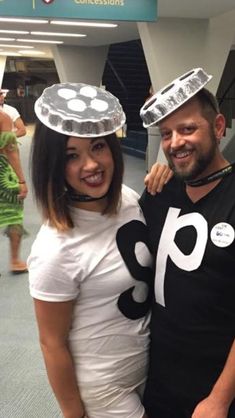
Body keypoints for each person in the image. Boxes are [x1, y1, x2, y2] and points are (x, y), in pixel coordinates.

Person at [27, 82, 171, 418]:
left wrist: (164, 174)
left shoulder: (128, 199)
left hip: (146, 367)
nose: (91, 164)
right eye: (72, 156)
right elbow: (52, 343)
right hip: (102, 389)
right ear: (53, 166)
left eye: (98, 147)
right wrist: (72, 412)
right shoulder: (55, 248)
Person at [139, 67, 235, 418]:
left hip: (217, 391)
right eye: (166, 134)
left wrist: (219, 400)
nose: (175, 142)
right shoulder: (158, 194)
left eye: (188, 129)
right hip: (158, 382)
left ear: (219, 127)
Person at [0, 109, 28, 273]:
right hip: (3, 175)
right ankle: (15, 261)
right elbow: (11, 152)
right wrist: (21, 181)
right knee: (14, 215)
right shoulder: (3, 118)